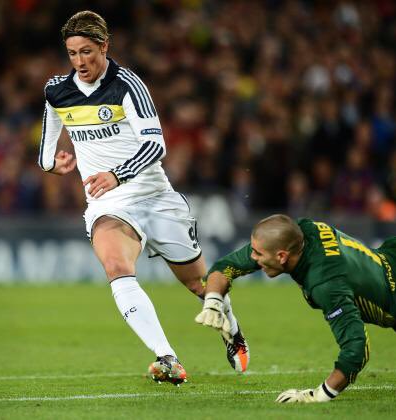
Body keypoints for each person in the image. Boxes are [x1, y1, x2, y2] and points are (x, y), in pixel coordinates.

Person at [37, 10, 249, 385]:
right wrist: (52, 164)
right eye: (72, 53)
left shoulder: (128, 85)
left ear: (104, 46)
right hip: (107, 203)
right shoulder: (57, 90)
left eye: (86, 52)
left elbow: (156, 146)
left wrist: (116, 174)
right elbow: (45, 149)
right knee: (116, 266)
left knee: (199, 285)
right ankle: (167, 358)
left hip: (153, 195)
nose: (80, 62)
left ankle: (232, 329)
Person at [196, 214, 396, 402]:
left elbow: (356, 348)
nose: (252, 258)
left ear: (282, 256)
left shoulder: (325, 284)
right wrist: (214, 302)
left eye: (257, 254)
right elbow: (226, 266)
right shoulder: (303, 231)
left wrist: (319, 395)